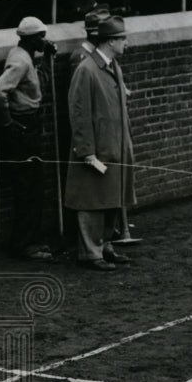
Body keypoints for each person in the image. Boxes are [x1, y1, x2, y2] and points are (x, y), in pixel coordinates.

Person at [64, 15, 136, 271]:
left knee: (112, 199)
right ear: (110, 42)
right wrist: (87, 152)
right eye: (122, 38)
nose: (126, 43)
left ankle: (105, 245)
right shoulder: (87, 70)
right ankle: (90, 252)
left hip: (115, 146)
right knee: (92, 201)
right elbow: (80, 113)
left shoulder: (112, 65)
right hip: (98, 150)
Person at [0, 16, 57, 261]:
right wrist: (7, 122)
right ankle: (24, 244)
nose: (43, 40)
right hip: (23, 126)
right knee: (28, 186)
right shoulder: (19, 60)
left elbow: (38, 86)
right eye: (40, 36)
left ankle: (32, 240)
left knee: (34, 183)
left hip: (30, 123)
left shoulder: (26, 57)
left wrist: (47, 57)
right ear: (29, 38)